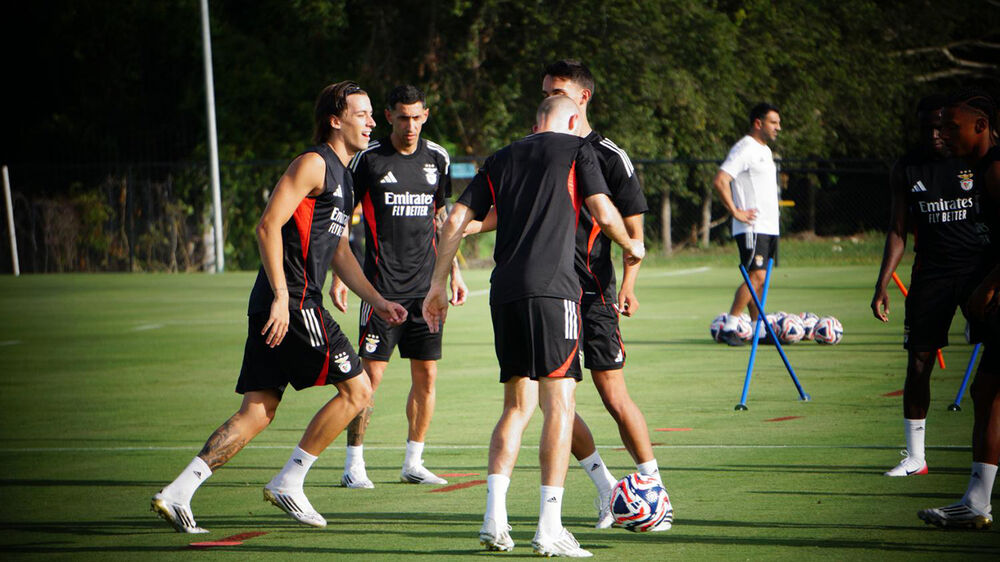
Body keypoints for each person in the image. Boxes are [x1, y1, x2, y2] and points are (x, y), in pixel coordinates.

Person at [150, 81, 407, 533]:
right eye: (362, 114)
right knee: (359, 391)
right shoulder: (313, 163)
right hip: (292, 301)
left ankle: (178, 492)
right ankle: (291, 480)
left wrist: (378, 300)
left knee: (259, 410)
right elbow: (268, 226)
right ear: (335, 118)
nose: (371, 122)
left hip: (283, 302)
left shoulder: (346, 177)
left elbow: (340, 251)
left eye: (371, 115)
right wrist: (284, 298)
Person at [424, 95, 644, 557]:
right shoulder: (578, 149)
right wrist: (631, 245)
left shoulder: (501, 157)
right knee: (559, 404)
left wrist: (436, 286)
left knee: (516, 406)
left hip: (504, 291)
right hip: (555, 290)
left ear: (534, 121)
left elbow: (456, 222)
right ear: (570, 120)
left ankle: (494, 519)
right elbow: (604, 213)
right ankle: (549, 527)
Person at [466, 59, 670, 531]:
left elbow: (630, 225)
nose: (546, 98)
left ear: (581, 99)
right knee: (551, 398)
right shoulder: (538, 150)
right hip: (549, 290)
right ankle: (608, 491)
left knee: (610, 392)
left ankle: (654, 489)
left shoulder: (602, 154)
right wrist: (467, 224)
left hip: (592, 292)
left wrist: (630, 286)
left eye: (556, 90)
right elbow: (505, 208)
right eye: (544, 90)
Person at [328, 85, 466, 489]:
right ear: (388, 116)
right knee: (367, 379)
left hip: (427, 292)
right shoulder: (368, 160)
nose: (410, 126)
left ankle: (414, 461)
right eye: (402, 118)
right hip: (381, 290)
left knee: (427, 377)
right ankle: (354, 465)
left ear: (426, 115)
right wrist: (340, 275)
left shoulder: (438, 157)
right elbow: (343, 216)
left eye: (417, 117)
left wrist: (453, 272)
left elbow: (442, 219)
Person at [870, 94, 991, 477]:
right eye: (928, 128)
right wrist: (882, 283)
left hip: (978, 273)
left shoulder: (977, 160)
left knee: (995, 366)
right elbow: (897, 230)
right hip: (931, 275)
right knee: (919, 362)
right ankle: (916, 457)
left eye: (942, 127)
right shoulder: (906, 167)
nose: (936, 135)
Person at [919, 88, 1000, 529]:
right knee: (986, 392)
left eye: (952, 126)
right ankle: (977, 502)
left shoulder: (995, 170)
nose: (942, 133)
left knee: (988, 392)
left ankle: (978, 502)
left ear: (980, 127)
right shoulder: (981, 169)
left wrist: (987, 286)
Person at [712, 103, 782, 346]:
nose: (778, 128)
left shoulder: (764, 151)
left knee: (761, 279)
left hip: (768, 227)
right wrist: (736, 212)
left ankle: (758, 330)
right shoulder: (745, 148)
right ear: (758, 123)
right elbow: (721, 180)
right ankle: (730, 326)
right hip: (753, 227)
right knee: (755, 277)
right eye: (773, 122)